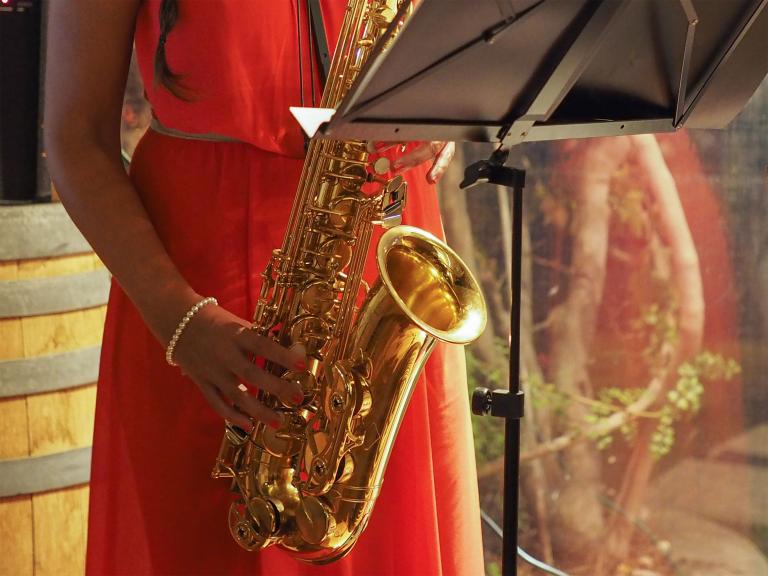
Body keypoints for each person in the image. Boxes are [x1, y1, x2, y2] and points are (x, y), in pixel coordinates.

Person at [45, 1, 484, 574]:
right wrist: (182, 321)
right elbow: (75, 138)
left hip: (378, 235)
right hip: (195, 292)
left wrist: (438, 110)